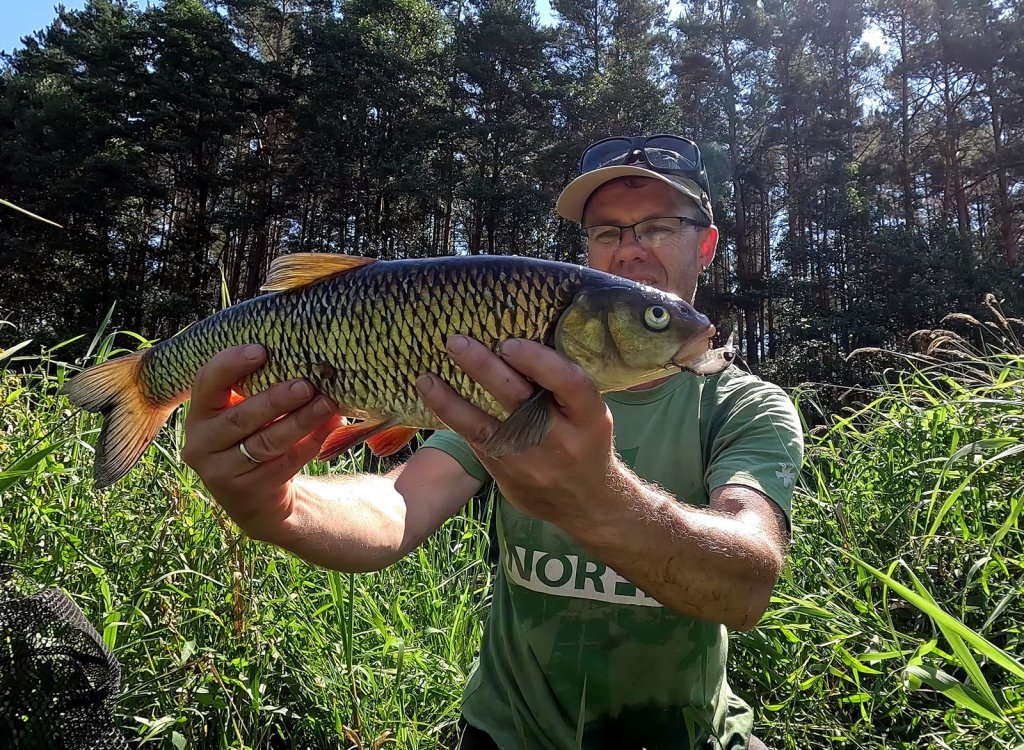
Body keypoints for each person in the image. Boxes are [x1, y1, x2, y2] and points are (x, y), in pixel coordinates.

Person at [181, 134, 804, 750]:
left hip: (682, 735)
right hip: (506, 734)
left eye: (659, 226)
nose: (630, 249)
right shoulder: (513, 388)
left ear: (706, 244)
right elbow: (402, 503)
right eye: (607, 231)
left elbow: (746, 587)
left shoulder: (745, 406)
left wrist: (597, 499)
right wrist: (281, 506)